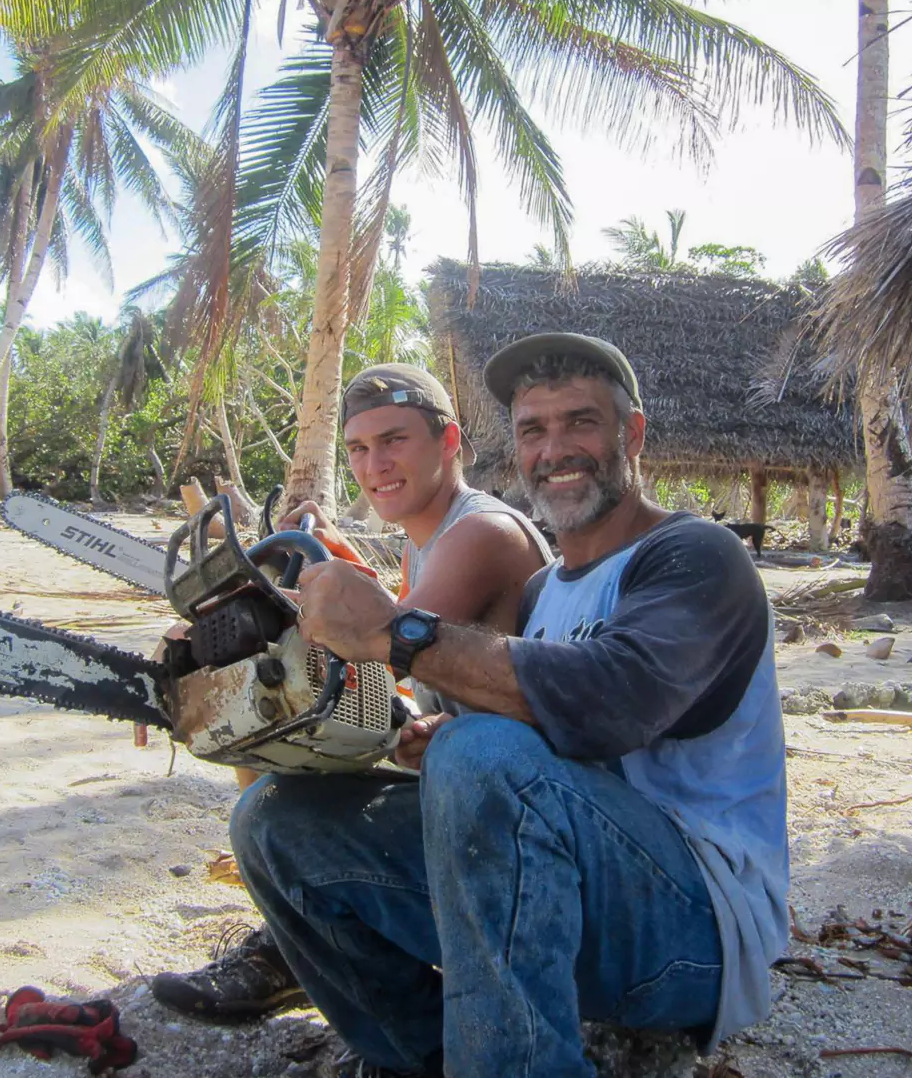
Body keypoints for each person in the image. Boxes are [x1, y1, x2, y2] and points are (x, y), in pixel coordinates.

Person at [231, 334, 787, 1078]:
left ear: (633, 433)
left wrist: (396, 635)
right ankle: (417, 1058)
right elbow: (540, 730)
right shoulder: (541, 591)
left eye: (580, 422)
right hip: (565, 907)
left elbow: (610, 702)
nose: (555, 449)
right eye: (533, 430)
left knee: (479, 755)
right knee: (275, 820)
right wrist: (451, 733)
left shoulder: (695, 556)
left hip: (693, 935)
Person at [150, 364, 550, 1022]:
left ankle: (305, 954)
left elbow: (371, 646)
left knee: (275, 713)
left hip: (514, 822)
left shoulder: (481, 534)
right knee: (268, 723)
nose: (375, 463)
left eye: (394, 440)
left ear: (449, 442)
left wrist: (223, 635)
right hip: (473, 781)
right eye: (359, 448)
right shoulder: (429, 542)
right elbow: (396, 638)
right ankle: (300, 945)